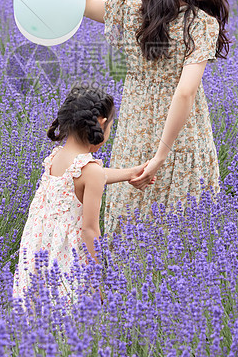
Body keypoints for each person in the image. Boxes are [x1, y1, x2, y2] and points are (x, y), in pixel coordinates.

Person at [84, 0, 230, 234]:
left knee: (130, 221)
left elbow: (88, 6)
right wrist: (162, 154)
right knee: (184, 228)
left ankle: (125, 282)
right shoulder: (201, 24)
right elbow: (185, 92)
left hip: (135, 131)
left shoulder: (133, 6)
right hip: (182, 138)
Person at [13, 85, 152, 300]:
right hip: (68, 259)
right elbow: (90, 230)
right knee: (70, 319)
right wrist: (97, 282)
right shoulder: (91, 171)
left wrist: (130, 173)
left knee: (38, 315)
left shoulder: (56, 157)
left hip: (37, 254)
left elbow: (89, 176)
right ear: (101, 123)